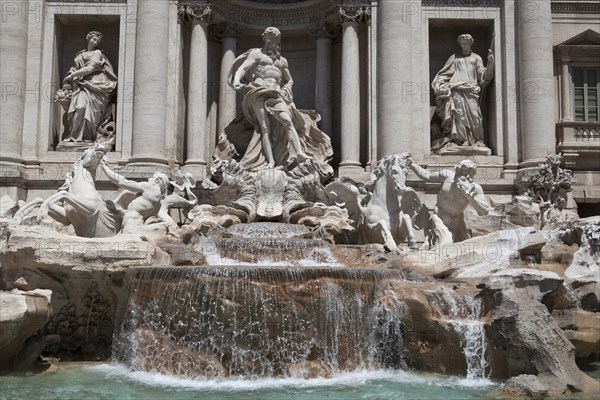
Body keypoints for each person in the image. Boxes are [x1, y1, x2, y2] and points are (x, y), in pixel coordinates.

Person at [228, 27, 312, 169]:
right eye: (268, 37)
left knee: (287, 121)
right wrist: (237, 80)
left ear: (278, 40)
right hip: (259, 91)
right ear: (264, 38)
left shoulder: (282, 61)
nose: (270, 40)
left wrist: (286, 89)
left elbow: (289, 80)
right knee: (264, 127)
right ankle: (271, 161)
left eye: (273, 38)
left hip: (277, 94)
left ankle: (299, 153)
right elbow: (242, 68)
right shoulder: (256, 54)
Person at [407, 158, 490, 245]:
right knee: (446, 245)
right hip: (440, 217)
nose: (468, 177)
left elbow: (484, 210)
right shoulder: (447, 176)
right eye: (466, 173)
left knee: (463, 248)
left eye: (471, 174)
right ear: (458, 171)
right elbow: (427, 175)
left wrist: (470, 197)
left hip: (458, 223)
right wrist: (413, 165)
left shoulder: (475, 189)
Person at [432, 34, 494, 149]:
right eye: (462, 44)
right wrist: (439, 84)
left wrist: (491, 63)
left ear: (471, 44)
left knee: (475, 116)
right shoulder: (455, 58)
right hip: (457, 91)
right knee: (459, 116)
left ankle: (476, 140)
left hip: (471, 91)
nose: (463, 46)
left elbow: (484, 78)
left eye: (465, 43)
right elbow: (445, 73)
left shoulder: (476, 58)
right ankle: (462, 140)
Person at [61, 31, 117, 143]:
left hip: (95, 85)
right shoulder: (80, 54)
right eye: (94, 39)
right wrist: (71, 73)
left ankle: (87, 137)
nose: (95, 42)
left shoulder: (97, 53)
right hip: (80, 85)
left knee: (88, 110)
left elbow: (91, 68)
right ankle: (74, 136)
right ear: (88, 38)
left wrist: (73, 75)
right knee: (80, 107)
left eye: (97, 41)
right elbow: (76, 67)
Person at [100, 158, 169, 234]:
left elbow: (122, 181)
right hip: (138, 224)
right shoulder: (159, 203)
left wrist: (105, 168)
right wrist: (120, 210)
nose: (149, 179)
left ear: (158, 180)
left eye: (152, 178)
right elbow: (142, 214)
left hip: (131, 224)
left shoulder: (149, 187)